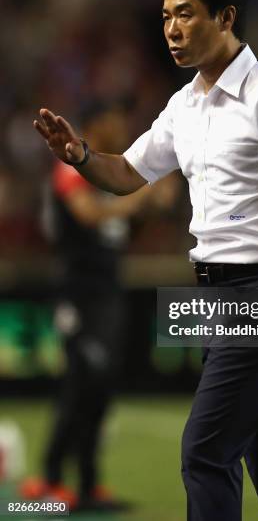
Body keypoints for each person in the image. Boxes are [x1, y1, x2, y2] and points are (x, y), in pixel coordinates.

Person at [33, 0, 258, 521]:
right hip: (217, 299)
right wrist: (78, 154)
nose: (172, 29)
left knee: (204, 452)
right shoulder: (184, 105)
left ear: (226, 17)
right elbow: (126, 174)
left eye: (186, 14)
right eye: (166, 16)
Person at [23, 100, 175, 512]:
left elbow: (119, 228)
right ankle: (50, 479)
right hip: (79, 294)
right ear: (95, 124)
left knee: (102, 387)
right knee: (81, 382)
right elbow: (90, 216)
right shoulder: (70, 169)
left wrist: (153, 206)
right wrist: (143, 196)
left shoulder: (111, 174)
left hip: (109, 293)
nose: (120, 128)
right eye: (113, 121)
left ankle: (89, 485)